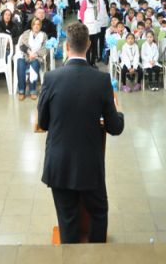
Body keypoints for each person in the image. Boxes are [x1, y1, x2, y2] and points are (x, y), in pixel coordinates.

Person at [37, 21, 124, 244]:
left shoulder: (51, 78)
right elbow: (115, 127)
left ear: (67, 46)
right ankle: (97, 255)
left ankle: (70, 254)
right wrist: (119, 112)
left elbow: (43, 122)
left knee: (67, 217)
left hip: (60, 162)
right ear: (88, 45)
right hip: (89, 163)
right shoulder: (102, 80)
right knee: (98, 212)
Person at [15, 17, 48, 101]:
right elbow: (21, 45)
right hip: (25, 55)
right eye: (34, 24)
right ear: (32, 25)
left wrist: (35, 54)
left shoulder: (43, 35)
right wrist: (29, 53)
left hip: (37, 57)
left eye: (38, 24)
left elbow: (45, 48)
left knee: (35, 64)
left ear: (40, 26)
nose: (36, 26)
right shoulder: (26, 33)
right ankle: (21, 91)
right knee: (20, 64)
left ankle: (32, 90)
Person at [78, 0, 106, 66]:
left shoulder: (97, 0)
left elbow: (99, 11)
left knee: (94, 46)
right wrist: (83, 25)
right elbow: (81, 13)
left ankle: (93, 62)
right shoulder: (85, 0)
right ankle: (87, 63)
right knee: (88, 47)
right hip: (88, 27)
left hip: (96, 26)